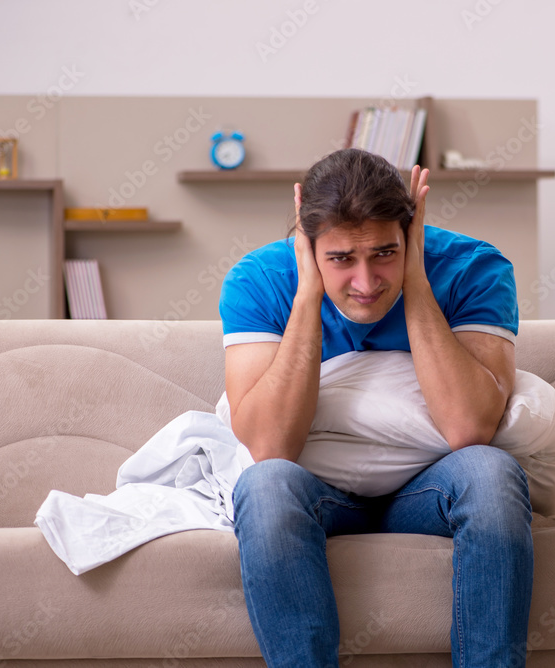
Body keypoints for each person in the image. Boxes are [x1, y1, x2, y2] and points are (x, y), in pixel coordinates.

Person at [220, 148, 533, 667]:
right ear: (307, 241)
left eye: (384, 253)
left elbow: (468, 425)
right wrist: (306, 297)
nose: (365, 284)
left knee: (492, 472)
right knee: (264, 484)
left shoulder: (474, 267)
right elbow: (271, 446)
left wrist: (414, 277)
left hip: (428, 487)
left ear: (410, 233)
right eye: (341, 259)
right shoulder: (261, 280)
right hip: (321, 493)